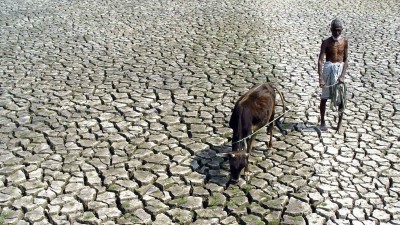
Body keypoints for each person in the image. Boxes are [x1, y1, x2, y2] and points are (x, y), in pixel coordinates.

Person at [317, 18, 348, 131]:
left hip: (339, 70)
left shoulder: (344, 41)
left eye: (339, 30)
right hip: (328, 69)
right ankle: (323, 121)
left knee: (340, 97)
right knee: (324, 97)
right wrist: (321, 78)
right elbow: (320, 60)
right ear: (331, 30)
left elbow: (346, 60)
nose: (336, 33)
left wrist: (342, 75)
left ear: (342, 30)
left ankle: (339, 123)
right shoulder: (326, 42)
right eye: (334, 30)